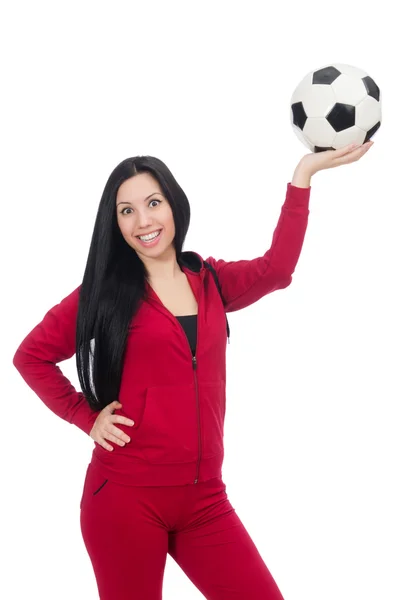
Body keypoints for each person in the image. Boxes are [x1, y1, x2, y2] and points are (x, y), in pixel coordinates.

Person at [13, 141, 373, 600]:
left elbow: (277, 270)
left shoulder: (211, 281)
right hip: (126, 499)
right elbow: (31, 356)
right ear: (115, 222)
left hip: (205, 500)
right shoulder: (103, 294)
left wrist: (303, 175)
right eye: (127, 210)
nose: (143, 221)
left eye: (153, 203)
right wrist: (86, 417)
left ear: (174, 205)